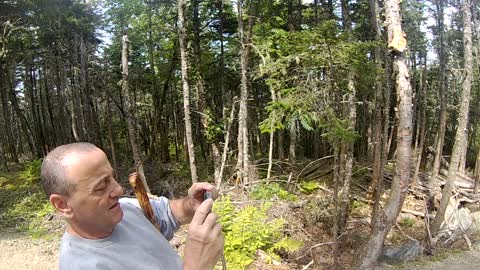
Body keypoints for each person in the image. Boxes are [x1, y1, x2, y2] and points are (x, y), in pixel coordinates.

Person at [40, 142, 224, 270]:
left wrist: (191, 204)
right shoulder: (84, 265)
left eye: (112, 178)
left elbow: (168, 213)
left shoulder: (125, 208)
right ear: (62, 204)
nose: (119, 190)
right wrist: (197, 266)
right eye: (101, 187)